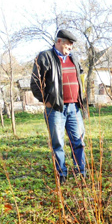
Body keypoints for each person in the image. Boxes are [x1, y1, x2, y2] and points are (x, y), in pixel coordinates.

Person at [30, 29, 86, 184]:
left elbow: (80, 76)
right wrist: (45, 100)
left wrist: (80, 98)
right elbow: (35, 82)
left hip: (74, 107)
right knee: (58, 143)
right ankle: (62, 174)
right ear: (59, 41)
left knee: (79, 141)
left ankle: (81, 172)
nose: (70, 47)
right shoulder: (45, 56)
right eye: (68, 43)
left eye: (72, 44)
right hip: (56, 109)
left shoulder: (74, 58)